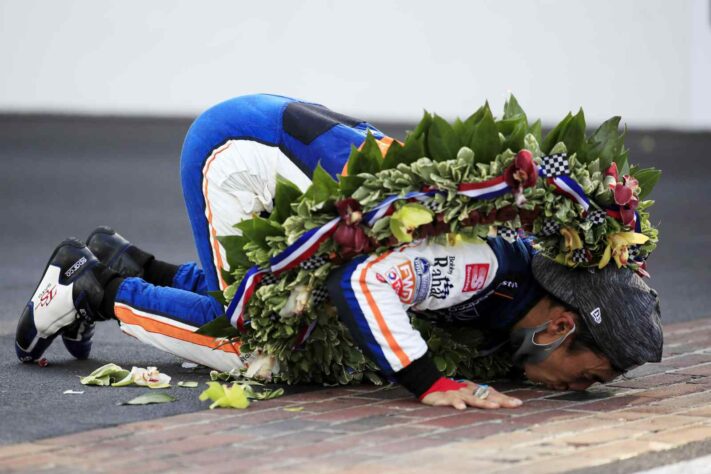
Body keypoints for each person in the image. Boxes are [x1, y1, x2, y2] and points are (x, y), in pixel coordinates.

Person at [15, 94, 663, 410]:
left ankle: (129, 264)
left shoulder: (510, 283)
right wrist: (426, 383)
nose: (581, 390)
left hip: (278, 147)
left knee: (290, 303)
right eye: (591, 375)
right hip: (244, 152)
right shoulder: (482, 267)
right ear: (557, 324)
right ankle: (88, 287)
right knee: (257, 346)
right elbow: (363, 283)